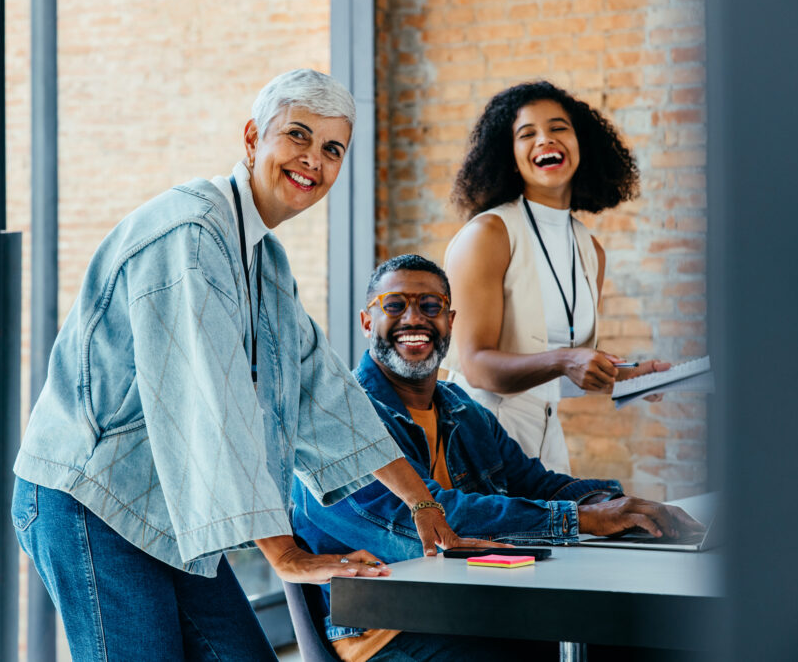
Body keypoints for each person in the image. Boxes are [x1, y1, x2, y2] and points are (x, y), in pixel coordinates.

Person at [11, 70, 479, 661]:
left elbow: (324, 393)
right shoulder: (191, 235)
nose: (313, 160)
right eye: (298, 136)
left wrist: (422, 503)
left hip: (168, 506)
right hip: (93, 498)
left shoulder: (265, 258)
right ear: (254, 138)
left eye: (332, 149)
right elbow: (209, 405)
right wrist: (287, 555)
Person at [291, 255, 702, 662]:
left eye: (430, 306)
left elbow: (536, 483)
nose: (414, 319)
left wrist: (613, 505)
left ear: (450, 321)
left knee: (647, 641)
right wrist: (583, 519)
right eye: (395, 305)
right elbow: (430, 525)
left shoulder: (462, 410)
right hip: (390, 633)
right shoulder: (338, 424)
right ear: (367, 322)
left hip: (475, 609)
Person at [443, 80, 669, 475]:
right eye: (526, 134)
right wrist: (567, 360)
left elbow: (559, 372)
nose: (545, 139)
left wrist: (629, 377)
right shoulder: (489, 234)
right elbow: (476, 366)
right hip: (480, 436)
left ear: (582, 143)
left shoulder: (589, 249)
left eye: (558, 128)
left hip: (547, 436)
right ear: (510, 155)